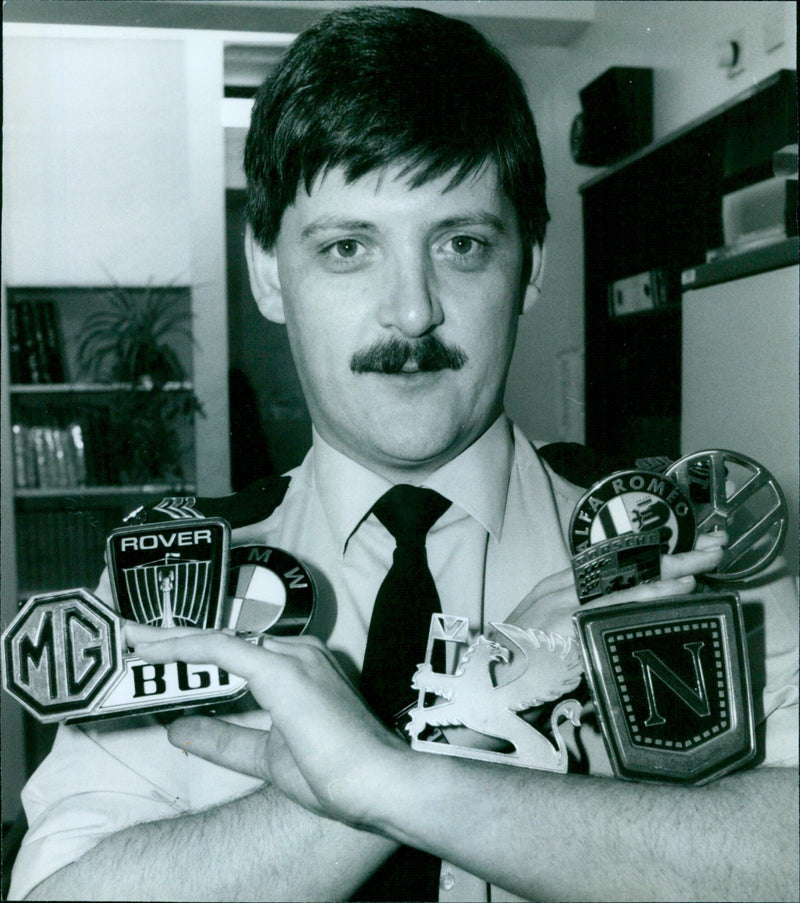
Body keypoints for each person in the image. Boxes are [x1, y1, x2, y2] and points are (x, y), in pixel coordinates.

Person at [10, 6, 798, 901]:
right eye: (348, 248)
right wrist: (414, 755)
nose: (412, 312)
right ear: (268, 270)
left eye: (462, 244)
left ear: (530, 264)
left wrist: (394, 779)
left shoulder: (683, 551)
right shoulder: (173, 588)